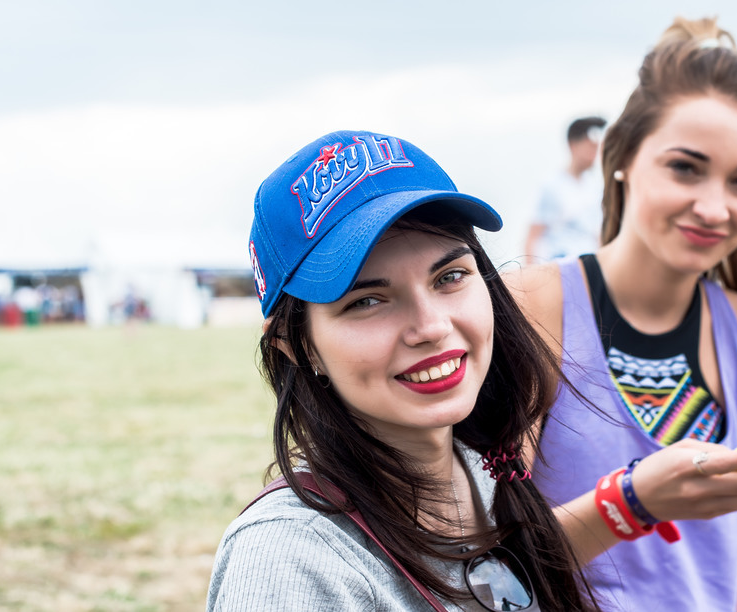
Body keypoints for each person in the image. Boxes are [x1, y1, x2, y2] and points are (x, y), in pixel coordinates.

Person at [506, 17, 737, 612]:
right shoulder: (533, 305)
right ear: (622, 157)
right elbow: (488, 562)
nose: (714, 207)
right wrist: (629, 503)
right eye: (686, 168)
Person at [207, 129, 604, 610]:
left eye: (450, 276)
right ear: (297, 346)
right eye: (367, 301)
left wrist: (634, 504)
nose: (432, 327)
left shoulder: (481, 471)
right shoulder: (290, 560)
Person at [524, 116, 607, 263]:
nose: (594, 154)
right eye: (590, 147)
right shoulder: (552, 187)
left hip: (589, 266)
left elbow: (596, 234)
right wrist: (530, 271)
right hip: (560, 268)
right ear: (573, 145)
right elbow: (533, 236)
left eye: (597, 147)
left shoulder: (594, 187)